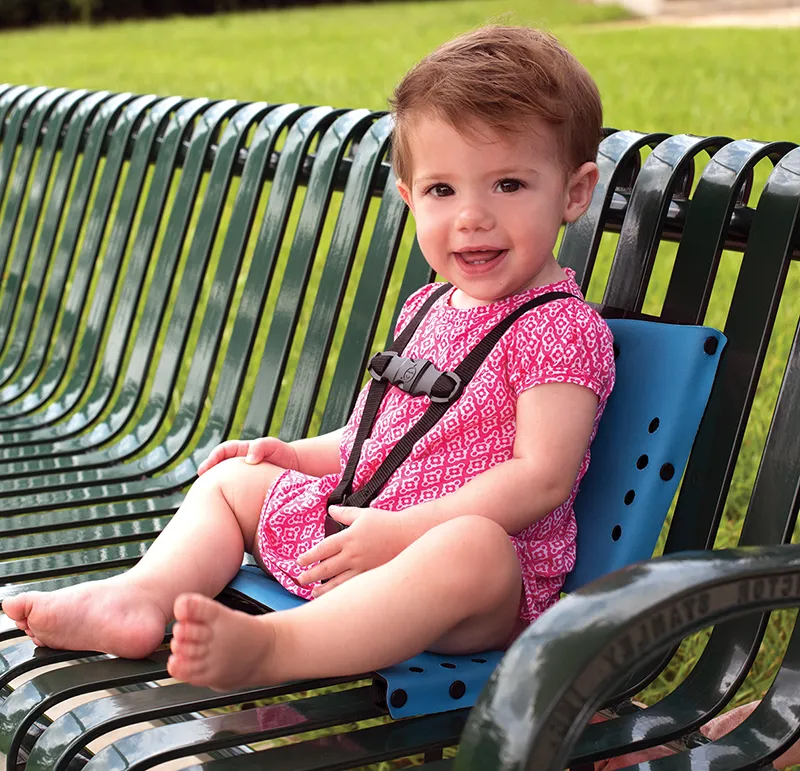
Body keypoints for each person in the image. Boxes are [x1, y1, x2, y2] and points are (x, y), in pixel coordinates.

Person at [3, 24, 612, 689]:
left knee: (474, 548)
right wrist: (297, 455)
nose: (471, 216)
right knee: (232, 484)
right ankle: (139, 596)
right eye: (443, 190)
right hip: (369, 530)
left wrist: (406, 531)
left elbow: (541, 478)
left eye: (508, 185)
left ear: (575, 192)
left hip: (474, 582)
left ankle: (274, 645)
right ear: (410, 198)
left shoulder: (560, 329)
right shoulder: (430, 306)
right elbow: (376, 440)